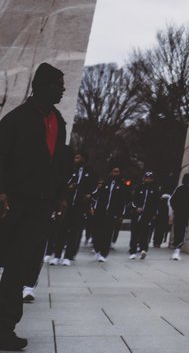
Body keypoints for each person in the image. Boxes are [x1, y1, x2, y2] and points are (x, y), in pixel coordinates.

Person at [0, 62, 70, 352]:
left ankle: (5, 327)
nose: (63, 89)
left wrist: (61, 195)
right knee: (13, 266)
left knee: (22, 268)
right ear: (41, 86)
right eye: (58, 84)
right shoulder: (15, 120)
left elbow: (60, 163)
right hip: (14, 203)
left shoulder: (59, 121)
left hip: (40, 207)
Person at [58, 151, 94, 265]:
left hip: (80, 205)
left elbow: (95, 187)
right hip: (67, 204)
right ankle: (57, 255)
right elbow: (62, 183)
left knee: (74, 231)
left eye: (78, 157)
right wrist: (69, 187)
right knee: (62, 230)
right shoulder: (70, 170)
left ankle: (68, 256)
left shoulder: (90, 172)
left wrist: (90, 194)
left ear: (83, 159)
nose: (75, 159)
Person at [90, 167, 128, 262]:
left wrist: (120, 214)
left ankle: (104, 253)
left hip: (112, 213)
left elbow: (123, 201)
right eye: (114, 171)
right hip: (101, 211)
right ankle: (97, 249)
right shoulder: (105, 183)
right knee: (98, 232)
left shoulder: (122, 185)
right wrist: (93, 207)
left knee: (107, 234)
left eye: (117, 172)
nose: (116, 173)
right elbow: (96, 196)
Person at [128, 172, 161, 260]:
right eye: (146, 178)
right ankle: (132, 251)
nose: (148, 179)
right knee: (134, 232)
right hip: (137, 214)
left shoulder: (155, 189)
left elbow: (157, 203)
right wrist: (136, 208)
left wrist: (154, 214)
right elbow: (133, 200)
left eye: (150, 178)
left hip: (147, 214)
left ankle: (143, 249)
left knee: (145, 232)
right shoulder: (139, 188)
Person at [169, 173, 189, 260]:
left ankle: (176, 247)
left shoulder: (179, 188)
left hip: (177, 212)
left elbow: (172, 200)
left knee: (177, 229)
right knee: (182, 230)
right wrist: (188, 208)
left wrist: (175, 208)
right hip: (185, 213)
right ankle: (177, 249)